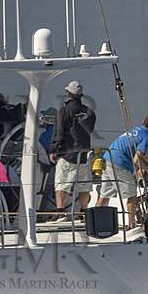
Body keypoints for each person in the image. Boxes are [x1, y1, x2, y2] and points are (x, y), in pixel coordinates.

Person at [96, 114, 148, 213]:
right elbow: (136, 159)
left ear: (143, 122)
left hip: (107, 159)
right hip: (119, 162)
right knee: (132, 196)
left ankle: (94, 222)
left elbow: (145, 155)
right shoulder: (146, 137)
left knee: (104, 195)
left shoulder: (134, 131)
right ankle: (131, 225)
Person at [50, 81, 97, 216]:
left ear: (68, 95)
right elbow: (91, 129)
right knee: (84, 185)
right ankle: (84, 213)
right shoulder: (89, 112)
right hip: (84, 155)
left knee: (61, 184)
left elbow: (59, 132)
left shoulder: (63, 111)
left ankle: (60, 213)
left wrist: (53, 149)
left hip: (68, 154)